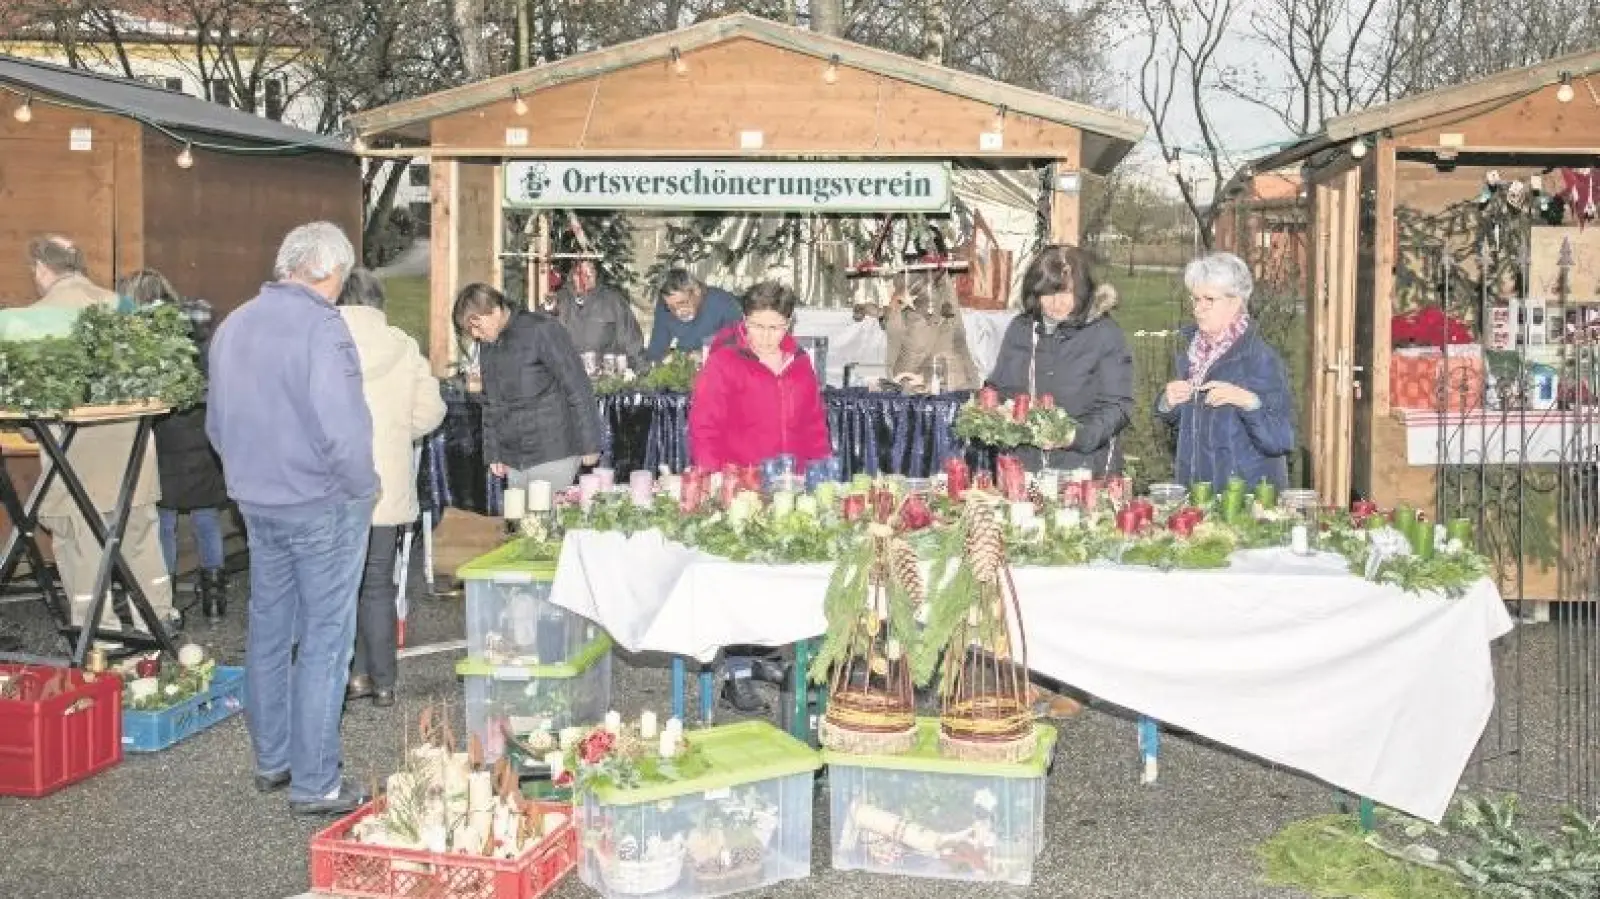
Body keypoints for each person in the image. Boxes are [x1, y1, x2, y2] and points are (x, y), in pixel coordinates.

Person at [208, 222, 376, 815]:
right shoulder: (322, 328)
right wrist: (364, 489)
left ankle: (272, 759)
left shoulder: (234, 324)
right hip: (321, 505)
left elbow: (217, 427)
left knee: (270, 632)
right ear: (331, 272)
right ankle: (317, 782)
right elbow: (344, 431)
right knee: (327, 642)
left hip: (256, 503)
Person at [688, 281, 831, 713]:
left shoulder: (799, 362)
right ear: (744, 321)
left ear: (789, 323)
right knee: (742, 583)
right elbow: (705, 425)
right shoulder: (725, 360)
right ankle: (736, 675)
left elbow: (813, 423)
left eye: (776, 326)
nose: (766, 335)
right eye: (758, 326)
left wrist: (821, 473)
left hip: (789, 486)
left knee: (781, 581)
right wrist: (713, 480)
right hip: (741, 485)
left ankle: (765, 658)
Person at [27, 236, 177, 639]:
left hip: (72, 463)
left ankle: (99, 642)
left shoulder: (31, 319)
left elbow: (26, 401)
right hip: (133, 462)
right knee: (140, 545)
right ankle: (156, 627)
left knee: (82, 549)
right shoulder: (124, 307)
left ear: (42, 269)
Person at [336, 269, 446, 708]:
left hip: (337, 482)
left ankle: (353, 674)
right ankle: (384, 682)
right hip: (386, 482)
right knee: (378, 583)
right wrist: (400, 432)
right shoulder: (401, 344)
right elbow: (432, 410)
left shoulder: (324, 341)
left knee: (341, 585)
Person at [116, 270, 231, 624]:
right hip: (202, 435)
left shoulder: (142, 339)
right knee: (207, 518)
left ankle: (163, 600)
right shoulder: (199, 330)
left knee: (162, 521)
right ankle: (214, 598)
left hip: (163, 437)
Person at [987, 244, 1133, 475]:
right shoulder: (1020, 328)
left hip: (1083, 468)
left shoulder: (1104, 333)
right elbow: (999, 388)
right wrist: (992, 412)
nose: (1056, 303)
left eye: (1065, 293)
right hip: (1023, 469)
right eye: (1048, 293)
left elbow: (1118, 407)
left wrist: (1076, 436)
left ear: (1082, 291)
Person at [1158, 252, 1295, 491]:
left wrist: (1249, 402)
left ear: (1235, 302)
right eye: (1195, 299)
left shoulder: (1260, 359)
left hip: (1244, 501)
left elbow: (1279, 440)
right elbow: (1185, 425)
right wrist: (1167, 403)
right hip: (1196, 497)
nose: (1198, 309)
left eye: (1208, 299)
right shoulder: (1193, 353)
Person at [453, 283, 601, 490]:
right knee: (521, 522)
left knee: (547, 521)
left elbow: (577, 387)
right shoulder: (487, 345)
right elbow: (490, 403)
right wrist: (494, 453)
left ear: (495, 310)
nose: (476, 335)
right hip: (514, 460)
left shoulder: (542, 330)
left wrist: (590, 445)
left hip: (554, 453)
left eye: (477, 326)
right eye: (470, 330)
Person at [857, 271, 981, 391]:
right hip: (918, 378)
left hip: (944, 383)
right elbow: (893, 317)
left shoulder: (929, 313)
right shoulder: (908, 313)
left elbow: (915, 353)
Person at [543, 260, 646, 372]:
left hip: (605, 378)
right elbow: (539, 337)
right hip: (565, 377)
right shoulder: (558, 301)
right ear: (572, 275)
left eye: (589, 273)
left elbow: (632, 342)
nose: (585, 278)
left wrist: (642, 372)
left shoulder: (613, 301)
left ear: (596, 274)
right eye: (580, 274)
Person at [644, 269, 743, 363]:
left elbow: (740, 348)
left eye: (682, 303)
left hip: (720, 365)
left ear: (697, 291)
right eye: (672, 307)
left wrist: (705, 355)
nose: (679, 311)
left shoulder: (724, 304)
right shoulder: (665, 306)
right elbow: (656, 349)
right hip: (685, 363)